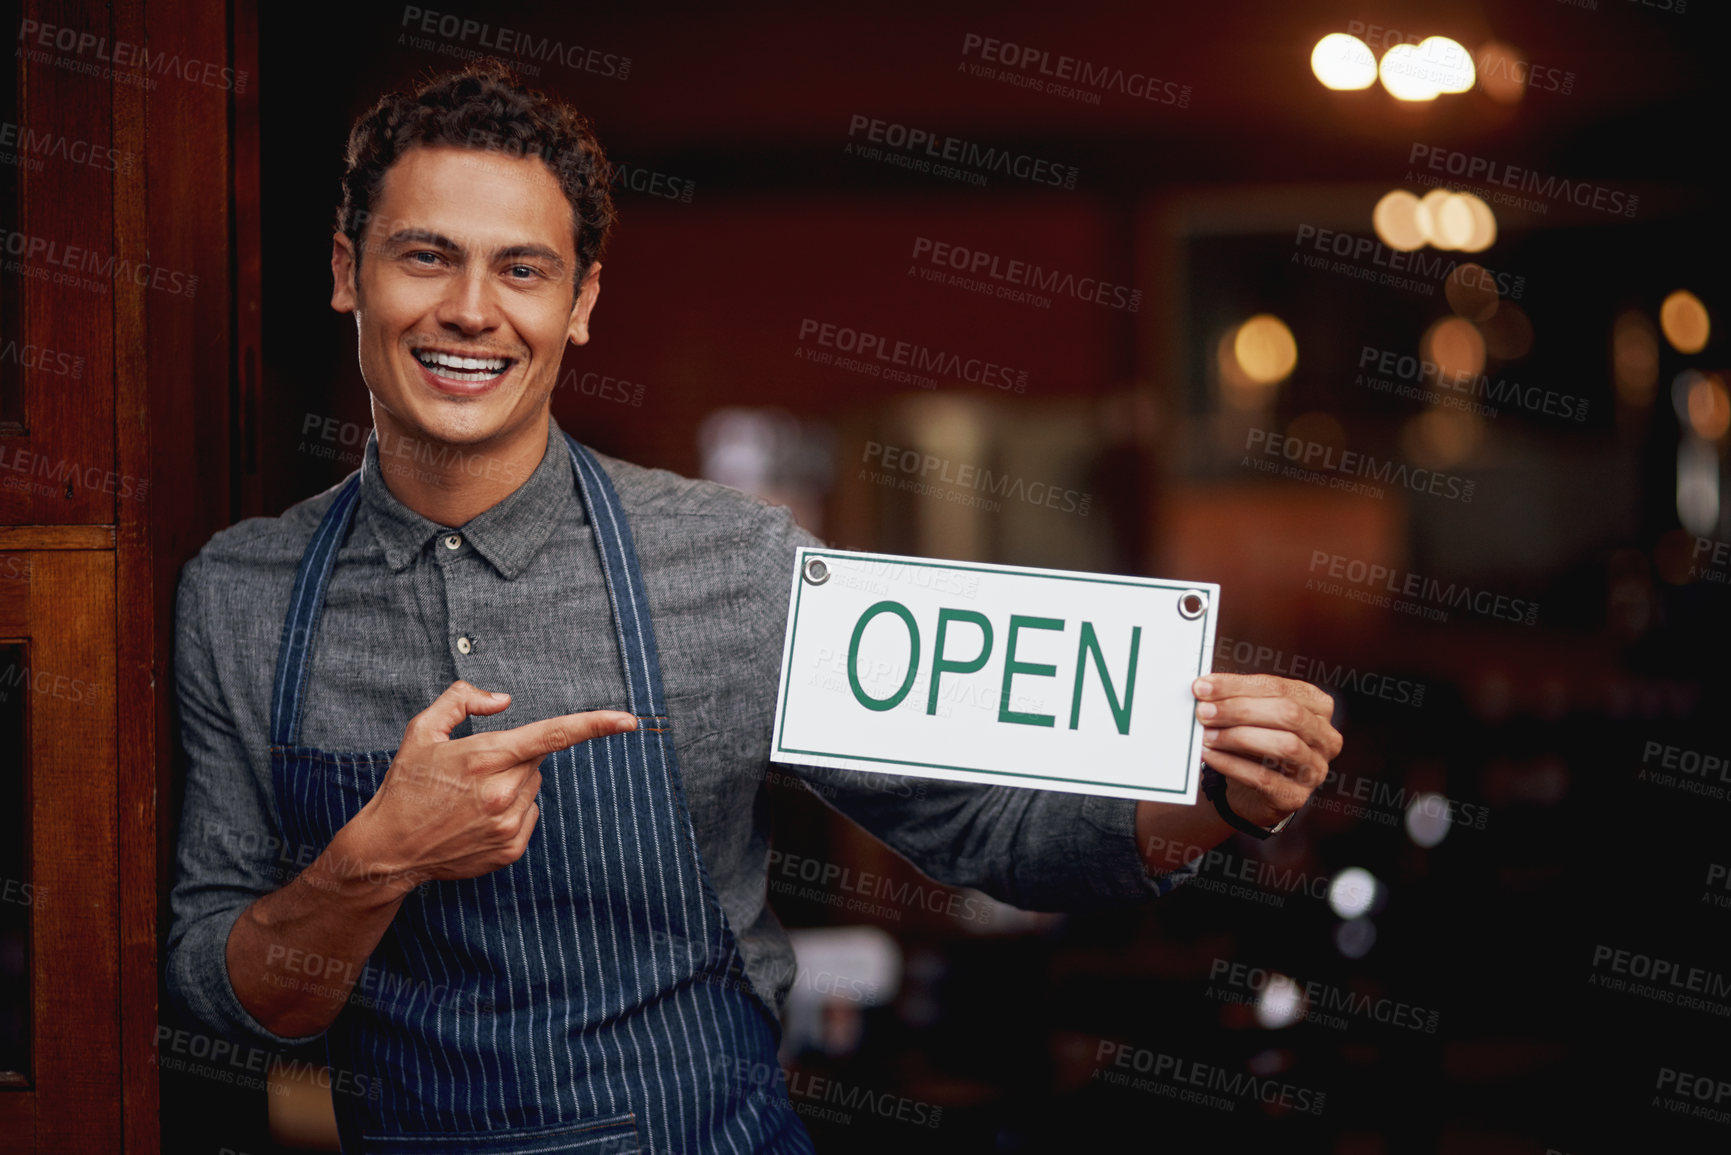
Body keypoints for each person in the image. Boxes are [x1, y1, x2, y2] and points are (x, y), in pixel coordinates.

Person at [165, 59, 1343, 1154]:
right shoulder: (242, 596)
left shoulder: (736, 562)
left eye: (523, 268)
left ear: (579, 304)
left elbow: (993, 831)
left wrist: (1218, 800)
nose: (472, 309)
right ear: (343, 271)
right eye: (424, 256)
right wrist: (378, 859)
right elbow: (232, 1001)